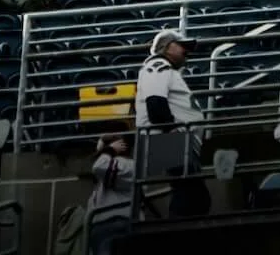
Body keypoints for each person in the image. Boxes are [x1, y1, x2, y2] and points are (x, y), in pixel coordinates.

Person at [135, 29, 207, 216]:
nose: (187, 51)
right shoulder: (158, 66)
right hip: (171, 139)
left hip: (176, 140)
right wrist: (172, 130)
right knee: (192, 196)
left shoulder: (166, 70)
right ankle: (178, 241)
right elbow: (155, 102)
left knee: (192, 195)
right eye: (182, 46)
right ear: (167, 47)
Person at [84, 132, 134, 255]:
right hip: (102, 226)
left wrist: (109, 150)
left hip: (116, 223)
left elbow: (100, 166)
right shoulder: (109, 168)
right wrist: (103, 145)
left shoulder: (127, 164)